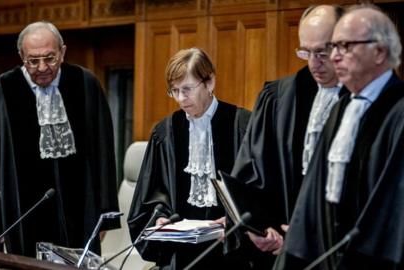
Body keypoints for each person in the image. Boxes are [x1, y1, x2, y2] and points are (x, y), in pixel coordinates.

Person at [0, 21, 120, 257]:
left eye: (50, 58)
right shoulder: (1, 91)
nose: (42, 67)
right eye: (32, 61)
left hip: (80, 210)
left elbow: (103, 151)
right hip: (21, 215)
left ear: (62, 52)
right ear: (21, 56)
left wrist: (104, 214)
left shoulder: (85, 83)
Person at [277, 4, 404, 269]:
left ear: (379, 51)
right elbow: (311, 202)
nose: (335, 57)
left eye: (345, 46)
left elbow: (391, 216)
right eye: (333, 47)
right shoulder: (340, 110)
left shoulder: (399, 112)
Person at [228, 5, 344, 266]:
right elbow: (252, 172)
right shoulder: (279, 98)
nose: (314, 63)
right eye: (306, 52)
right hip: (285, 254)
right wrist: (258, 229)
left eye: (322, 52)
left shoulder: (371, 103)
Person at [127, 47, 251, 269]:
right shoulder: (165, 133)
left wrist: (235, 221)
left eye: (187, 89)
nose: (181, 99)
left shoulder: (242, 126)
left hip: (230, 253)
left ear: (210, 82)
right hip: (180, 254)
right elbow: (150, 197)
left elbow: (257, 191)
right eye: (174, 91)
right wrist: (160, 220)